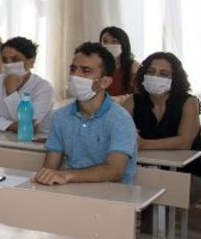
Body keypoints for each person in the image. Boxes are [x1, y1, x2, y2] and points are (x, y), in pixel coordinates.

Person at [34, 42, 137, 185]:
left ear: (105, 82)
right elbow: (50, 167)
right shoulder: (60, 116)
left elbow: (115, 171)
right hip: (70, 194)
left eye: (86, 71)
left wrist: (67, 176)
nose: (75, 75)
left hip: (112, 198)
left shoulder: (120, 119)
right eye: (73, 69)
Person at [119, 51, 201, 205]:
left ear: (174, 78)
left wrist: (143, 144)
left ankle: (154, 226)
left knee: (160, 197)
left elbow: (184, 142)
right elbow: (120, 133)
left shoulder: (189, 102)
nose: (156, 77)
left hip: (187, 173)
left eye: (163, 74)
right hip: (144, 170)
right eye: (151, 72)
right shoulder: (132, 101)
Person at [0, 36, 54, 136]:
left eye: (15, 59)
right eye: (5, 60)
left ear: (31, 62)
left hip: (36, 143)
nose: (9, 65)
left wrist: (11, 92)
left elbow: (28, 123)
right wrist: (16, 127)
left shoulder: (44, 87)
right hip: (3, 138)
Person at [99, 26, 140, 97]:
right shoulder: (96, 66)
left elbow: (140, 96)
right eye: (105, 41)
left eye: (114, 41)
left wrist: (123, 98)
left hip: (124, 107)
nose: (108, 45)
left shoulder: (133, 67)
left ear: (123, 45)